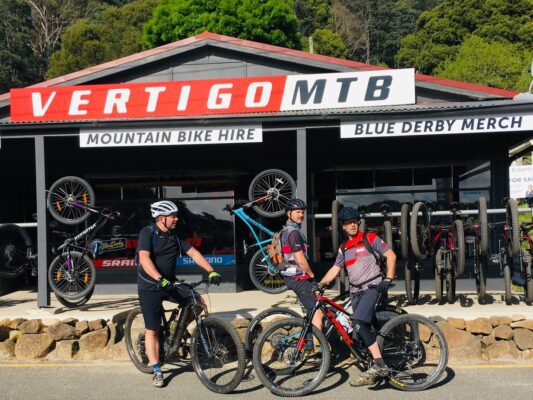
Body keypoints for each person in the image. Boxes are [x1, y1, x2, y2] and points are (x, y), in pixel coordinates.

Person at [136, 200, 222, 388]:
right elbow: (144, 258)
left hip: (169, 283)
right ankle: (157, 369)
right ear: (161, 218)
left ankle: (177, 330)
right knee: (153, 330)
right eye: (173, 216)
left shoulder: (174, 236)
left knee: (197, 301)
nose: (176, 219)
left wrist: (211, 270)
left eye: (176, 215)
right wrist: (159, 278)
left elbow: (193, 253)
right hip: (150, 286)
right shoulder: (147, 233)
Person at [319, 206, 396, 387]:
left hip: (372, 287)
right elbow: (335, 269)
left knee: (359, 323)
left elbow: (391, 256)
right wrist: (320, 284)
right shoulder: (343, 248)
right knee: (359, 327)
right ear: (343, 227)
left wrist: (389, 278)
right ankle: (371, 360)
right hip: (355, 292)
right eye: (348, 223)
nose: (352, 225)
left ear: (358, 223)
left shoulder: (370, 238)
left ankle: (379, 365)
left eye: (354, 221)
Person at [279, 198, 324, 340]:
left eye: (302, 212)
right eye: (297, 212)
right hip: (298, 277)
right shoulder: (293, 232)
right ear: (289, 214)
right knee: (318, 312)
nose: (301, 215)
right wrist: (311, 275)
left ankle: (310, 341)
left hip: (293, 277)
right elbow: (300, 259)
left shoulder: (288, 230)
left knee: (312, 310)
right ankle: (319, 350)